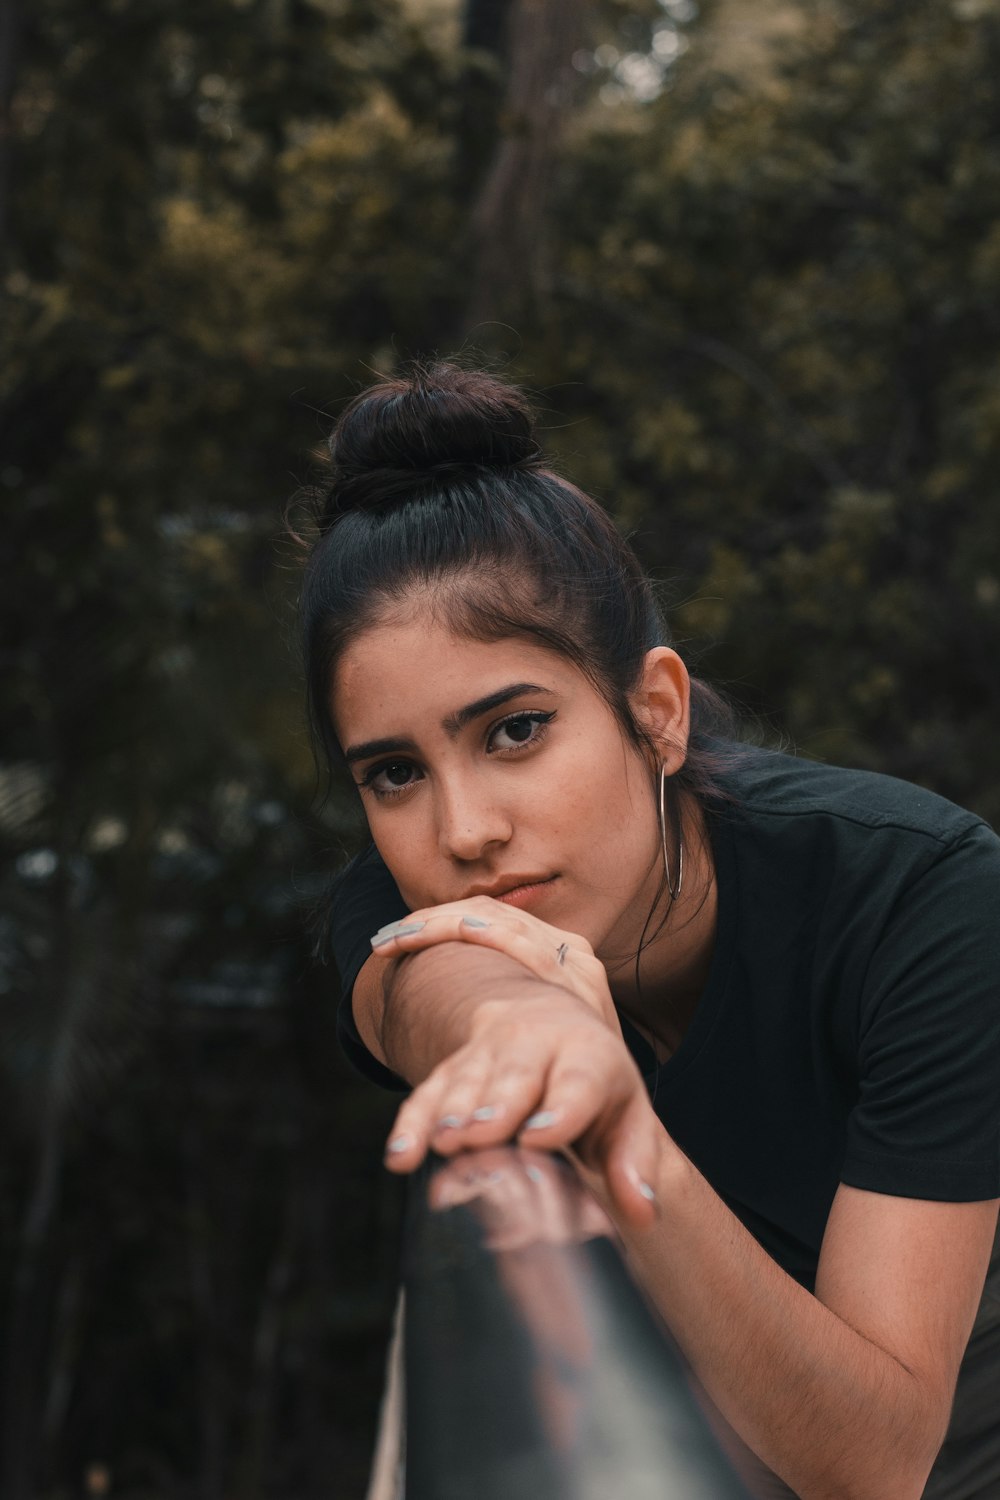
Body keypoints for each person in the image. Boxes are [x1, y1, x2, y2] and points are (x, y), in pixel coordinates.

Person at [301, 361, 1000, 1500]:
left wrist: (626, 1137)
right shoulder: (400, 905)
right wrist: (543, 1028)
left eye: (516, 730)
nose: (463, 830)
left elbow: (873, 1461)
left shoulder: (917, 897)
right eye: (391, 772)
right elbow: (457, 1001)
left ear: (655, 713)